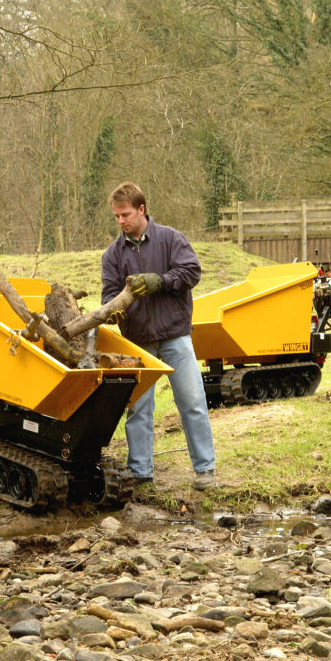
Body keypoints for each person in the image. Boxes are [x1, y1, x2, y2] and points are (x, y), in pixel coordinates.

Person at [101, 181, 215, 490]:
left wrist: (159, 281)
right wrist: (117, 310)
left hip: (175, 336)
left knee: (192, 401)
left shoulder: (170, 239)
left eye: (125, 214)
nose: (121, 221)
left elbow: (191, 271)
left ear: (141, 209)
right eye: (116, 217)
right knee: (138, 409)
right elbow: (108, 297)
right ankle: (140, 474)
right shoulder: (112, 255)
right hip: (137, 343)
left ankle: (205, 470)